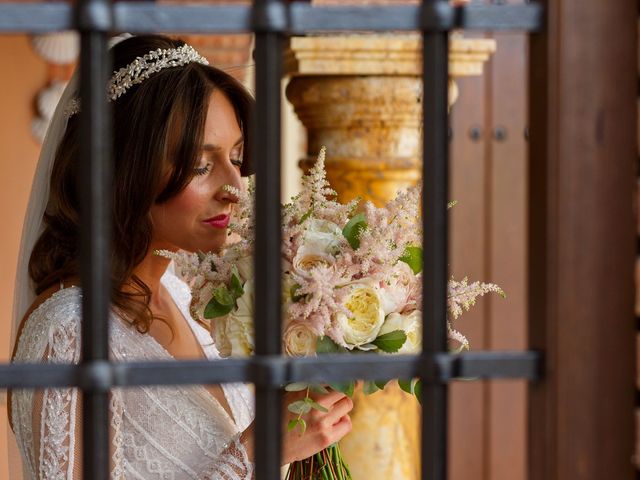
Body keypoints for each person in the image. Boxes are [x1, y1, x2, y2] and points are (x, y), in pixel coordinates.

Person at [8, 34, 353, 480]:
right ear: (123, 169)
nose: (234, 189)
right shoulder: (68, 336)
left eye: (237, 157)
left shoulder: (188, 298)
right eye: (200, 165)